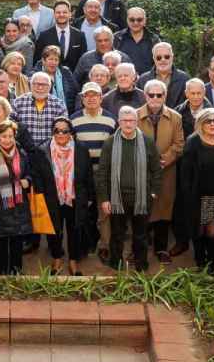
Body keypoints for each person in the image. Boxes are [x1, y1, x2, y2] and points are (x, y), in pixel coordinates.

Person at [96, 106, 161, 272]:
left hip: (142, 196)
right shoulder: (110, 142)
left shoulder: (147, 141)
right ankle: (116, 263)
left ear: (137, 121)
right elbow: (102, 171)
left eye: (132, 120)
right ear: (119, 122)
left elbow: (156, 170)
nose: (128, 123)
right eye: (125, 120)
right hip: (117, 197)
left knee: (141, 234)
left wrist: (153, 192)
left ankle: (141, 264)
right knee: (117, 234)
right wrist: (104, 198)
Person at [178, 108, 214, 271]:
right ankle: (199, 260)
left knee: (212, 233)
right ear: (201, 124)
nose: (212, 124)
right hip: (196, 196)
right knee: (198, 231)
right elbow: (185, 173)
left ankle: (210, 263)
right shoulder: (193, 142)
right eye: (208, 121)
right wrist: (187, 197)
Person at [0, 120, 35, 275]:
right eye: (4, 136)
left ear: (15, 136)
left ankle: (16, 270)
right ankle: (2, 272)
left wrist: (27, 181)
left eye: (10, 136)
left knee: (17, 240)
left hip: (19, 205)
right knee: (1, 240)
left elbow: (30, 173)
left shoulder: (21, 153)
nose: (7, 140)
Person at [137, 80, 185, 264]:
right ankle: (138, 249)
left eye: (159, 95)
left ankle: (161, 248)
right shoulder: (134, 116)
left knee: (164, 210)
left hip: (166, 171)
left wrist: (163, 160)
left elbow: (179, 144)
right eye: (151, 94)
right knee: (140, 210)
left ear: (165, 96)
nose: (155, 98)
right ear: (145, 95)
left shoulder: (175, 117)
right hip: (141, 171)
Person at [41, 117, 94, 276]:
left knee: (75, 229)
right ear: (52, 132)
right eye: (57, 130)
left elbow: (88, 175)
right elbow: (38, 176)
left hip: (75, 196)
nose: (61, 133)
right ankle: (57, 258)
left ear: (71, 132)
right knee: (54, 230)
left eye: (65, 130)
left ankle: (73, 260)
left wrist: (90, 196)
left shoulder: (81, 149)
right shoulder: (43, 150)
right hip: (53, 197)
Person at [71, 82, 117, 261]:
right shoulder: (73, 120)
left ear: (101, 98)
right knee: (82, 211)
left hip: (102, 174)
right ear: (82, 98)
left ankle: (104, 245)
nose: (90, 98)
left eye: (94, 95)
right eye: (87, 95)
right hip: (81, 175)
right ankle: (86, 244)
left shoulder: (111, 120)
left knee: (104, 211)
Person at [12, 72, 67, 147]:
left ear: (49, 87)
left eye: (44, 85)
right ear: (30, 85)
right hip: (25, 151)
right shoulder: (18, 103)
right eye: (36, 84)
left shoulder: (59, 104)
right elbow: (11, 128)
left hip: (50, 151)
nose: (40, 88)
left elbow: (63, 130)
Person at [34, 0, 86, 72]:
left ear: (70, 14)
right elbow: (37, 61)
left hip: (74, 80)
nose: (61, 15)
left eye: (64, 12)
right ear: (54, 14)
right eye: (58, 12)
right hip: (50, 79)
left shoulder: (80, 36)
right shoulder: (44, 36)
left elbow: (83, 62)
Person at [137, 42, 190, 110]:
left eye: (167, 57)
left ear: (172, 57)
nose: (163, 60)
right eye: (159, 58)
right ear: (154, 59)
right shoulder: (143, 80)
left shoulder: (184, 79)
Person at [113, 7, 160, 76]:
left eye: (139, 20)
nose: (135, 22)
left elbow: (159, 62)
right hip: (123, 80)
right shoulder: (117, 38)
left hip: (147, 81)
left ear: (145, 21)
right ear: (127, 20)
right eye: (132, 20)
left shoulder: (153, 39)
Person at [37, 45, 78, 114]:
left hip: (67, 113)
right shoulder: (36, 75)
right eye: (50, 59)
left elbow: (75, 92)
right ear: (43, 61)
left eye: (56, 60)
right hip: (45, 114)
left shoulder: (66, 72)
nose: (53, 63)